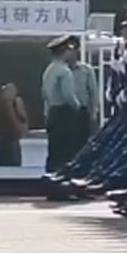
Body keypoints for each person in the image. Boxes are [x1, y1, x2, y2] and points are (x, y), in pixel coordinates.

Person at [42, 34, 84, 194]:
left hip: (53, 112)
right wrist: (78, 108)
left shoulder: (49, 70)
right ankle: (63, 187)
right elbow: (69, 96)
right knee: (67, 151)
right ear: (64, 51)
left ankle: (49, 184)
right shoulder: (64, 71)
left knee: (54, 151)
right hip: (64, 113)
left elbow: (45, 94)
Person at [0, 83, 28, 167]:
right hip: (12, 136)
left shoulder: (0, 104)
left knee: (3, 163)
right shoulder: (14, 103)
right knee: (13, 162)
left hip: (2, 136)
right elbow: (22, 116)